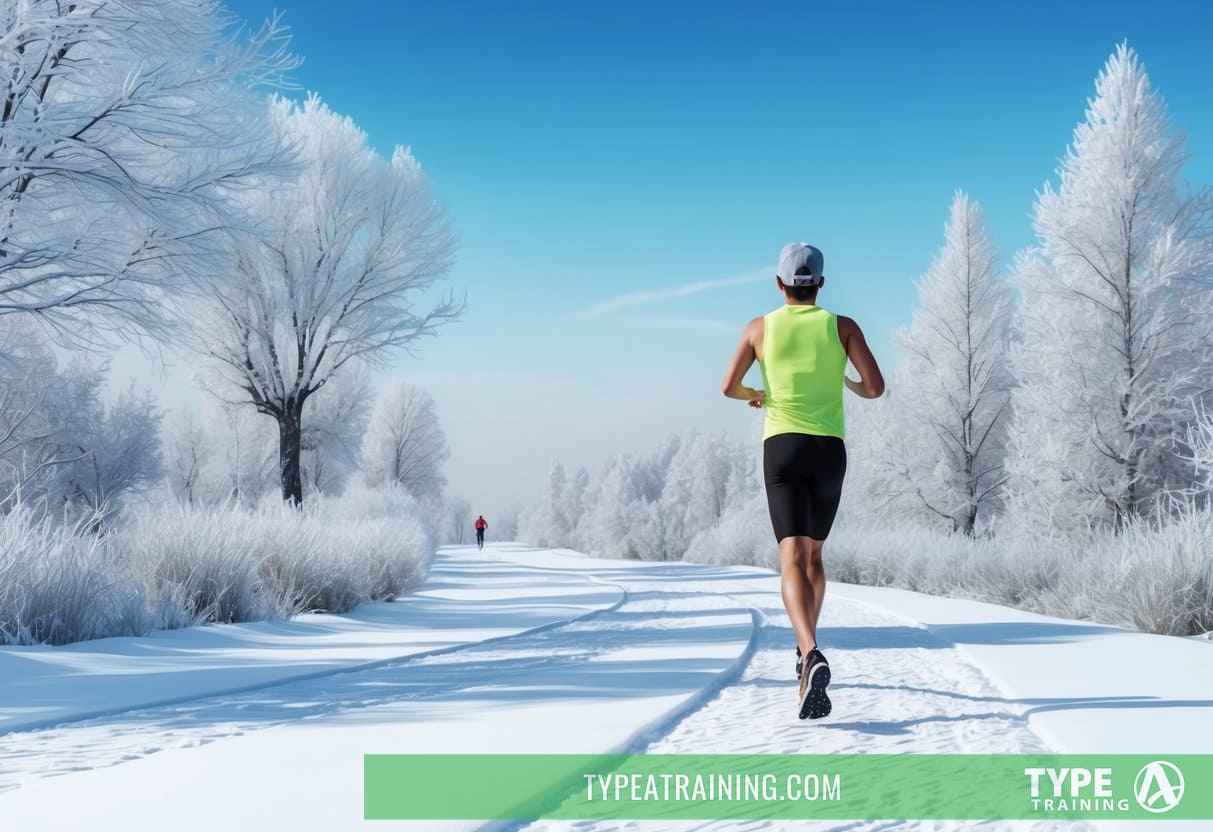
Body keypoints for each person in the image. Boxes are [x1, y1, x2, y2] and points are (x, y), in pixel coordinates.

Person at [720, 242, 884, 720]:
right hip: (829, 450)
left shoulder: (759, 328)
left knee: (789, 555)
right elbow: (874, 387)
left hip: (783, 447)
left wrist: (757, 394)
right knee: (813, 554)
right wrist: (845, 382)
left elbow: (728, 386)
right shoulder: (843, 326)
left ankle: (808, 651)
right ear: (821, 285)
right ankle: (806, 654)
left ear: (779, 284)